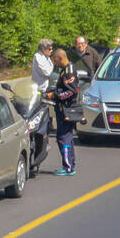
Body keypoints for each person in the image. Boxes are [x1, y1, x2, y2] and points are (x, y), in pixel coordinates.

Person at [47, 48, 80, 176]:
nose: (54, 63)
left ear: (60, 58)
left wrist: (54, 95)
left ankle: (68, 167)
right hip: (62, 108)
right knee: (67, 137)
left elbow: (71, 91)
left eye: (54, 60)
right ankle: (70, 164)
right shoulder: (65, 70)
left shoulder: (69, 72)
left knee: (63, 137)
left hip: (66, 109)